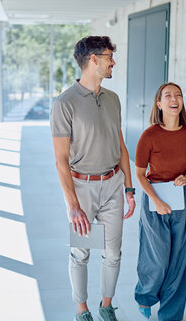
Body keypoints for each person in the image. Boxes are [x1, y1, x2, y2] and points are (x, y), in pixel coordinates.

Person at [50, 36, 136, 321]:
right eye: (110, 56)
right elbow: (61, 160)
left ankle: (106, 305)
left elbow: (121, 145)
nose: (114, 62)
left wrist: (129, 188)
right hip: (82, 188)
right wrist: (73, 205)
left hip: (113, 184)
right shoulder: (64, 103)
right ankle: (82, 310)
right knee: (80, 253)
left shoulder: (113, 99)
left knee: (113, 252)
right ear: (93, 59)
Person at [133, 82, 186, 320]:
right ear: (159, 103)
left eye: (178, 95)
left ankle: (170, 315)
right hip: (154, 200)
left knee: (179, 262)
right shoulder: (149, 135)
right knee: (157, 257)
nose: (175, 98)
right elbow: (140, 175)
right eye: (168, 95)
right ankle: (145, 295)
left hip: (183, 200)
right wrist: (157, 200)